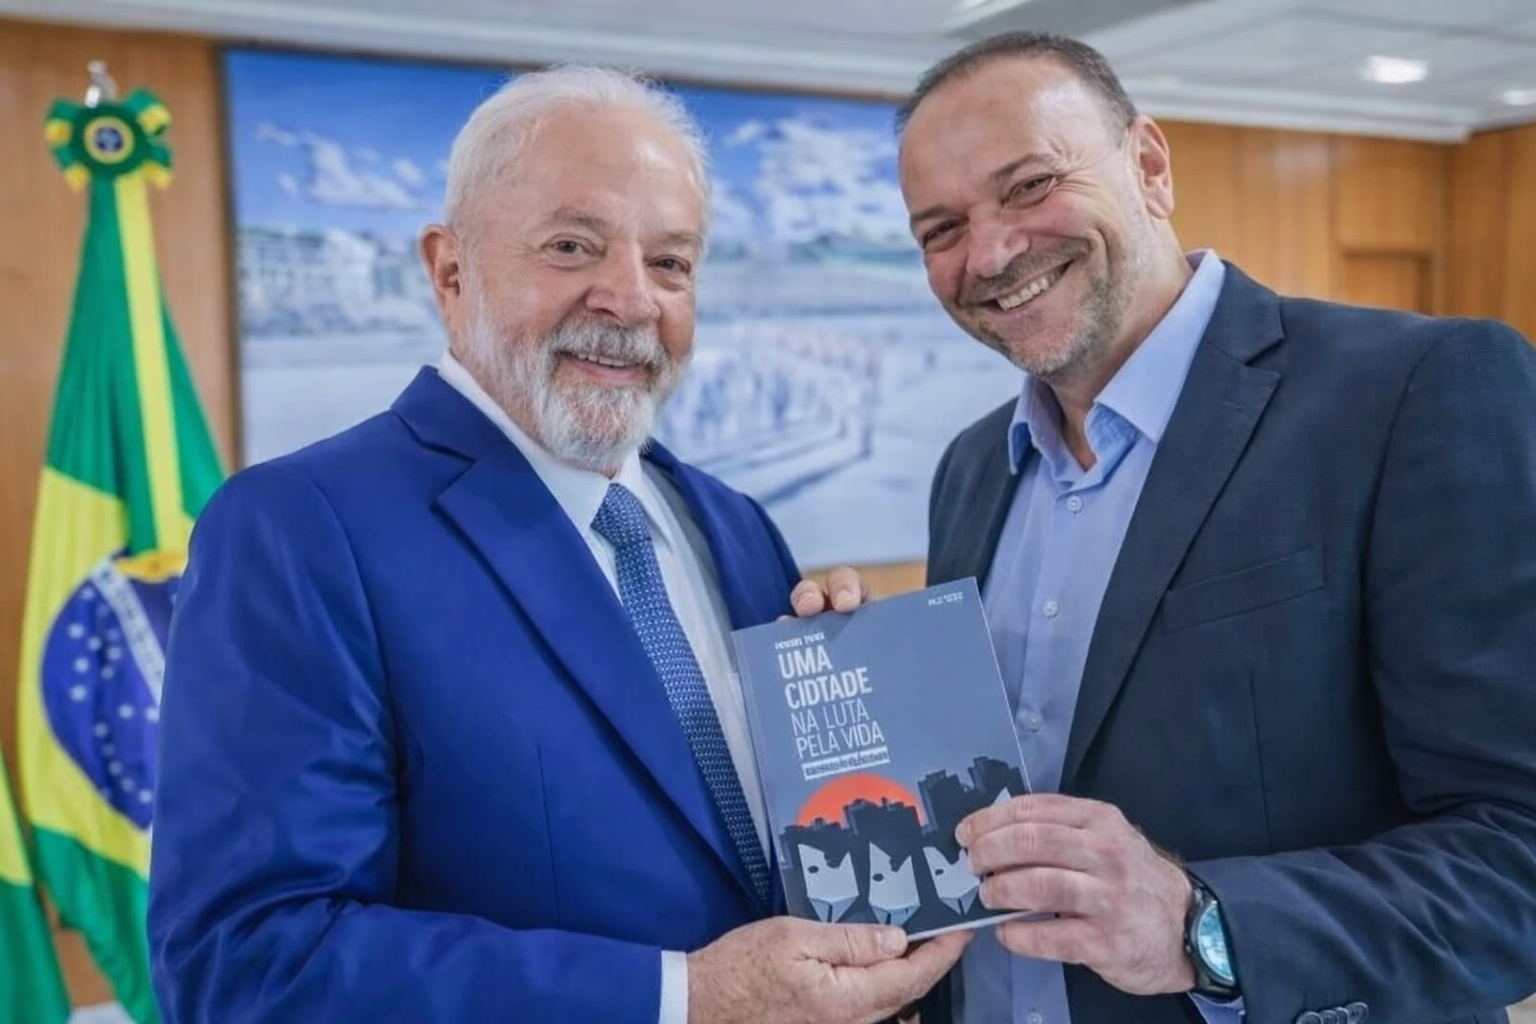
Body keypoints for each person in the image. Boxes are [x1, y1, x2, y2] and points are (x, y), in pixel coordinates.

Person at [146, 65, 966, 1024]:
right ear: (450, 271)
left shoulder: (734, 524)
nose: (629, 300)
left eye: (671, 263)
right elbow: (249, 964)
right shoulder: (298, 530)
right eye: (573, 247)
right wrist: (686, 1000)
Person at [894, 31, 1536, 1024]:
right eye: (941, 227)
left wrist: (1203, 923)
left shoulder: (1415, 394)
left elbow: (1517, 852)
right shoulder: (970, 470)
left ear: (1149, 166)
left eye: (1028, 187)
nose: (989, 253)